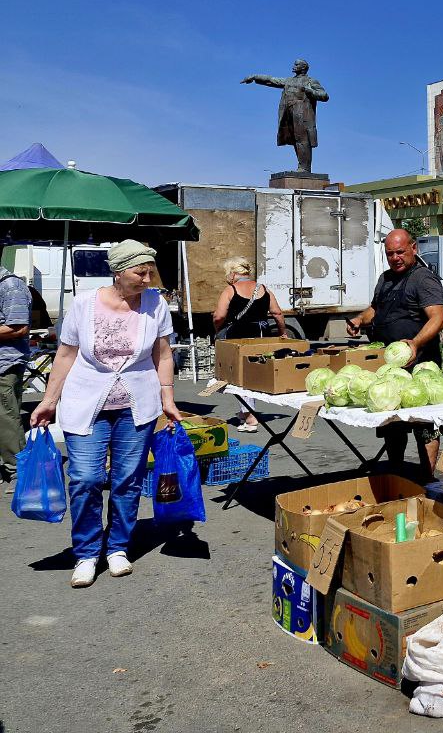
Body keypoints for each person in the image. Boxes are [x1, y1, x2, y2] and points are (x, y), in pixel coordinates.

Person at [30, 240, 184, 587]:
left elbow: (163, 354)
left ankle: (117, 548)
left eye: (150, 271)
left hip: (137, 405)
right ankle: (86, 552)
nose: (147, 278)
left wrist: (168, 398)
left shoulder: (155, 304)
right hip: (86, 403)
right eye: (139, 271)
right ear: (118, 270)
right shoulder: (84, 304)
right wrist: (48, 400)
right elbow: (66, 355)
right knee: (85, 478)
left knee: (127, 480)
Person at [346, 230, 443, 480]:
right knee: (392, 423)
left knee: (424, 425)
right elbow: (376, 308)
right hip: (390, 367)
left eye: (400, 252)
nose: (395, 258)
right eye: (390, 253)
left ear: (414, 248)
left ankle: (427, 478)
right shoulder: (385, 278)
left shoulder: (423, 279)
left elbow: (438, 318)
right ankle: (397, 474)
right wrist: (360, 319)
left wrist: (415, 343)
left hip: (421, 364)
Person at [212, 257, 287, 433]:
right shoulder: (263, 289)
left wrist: (217, 330)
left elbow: (219, 316)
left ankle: (251, 418)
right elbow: (277, 313)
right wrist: (282, 332)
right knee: (253, 374)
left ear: (232, 273)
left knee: (238, 376)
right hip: (261, 334)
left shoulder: (230, 290)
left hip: (238, 336)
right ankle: (245, 411)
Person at [0, 253, 33, 492]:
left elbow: (18, 327)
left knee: (6, 419)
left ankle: (20, 473)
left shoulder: (10, 286)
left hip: (5, 363)